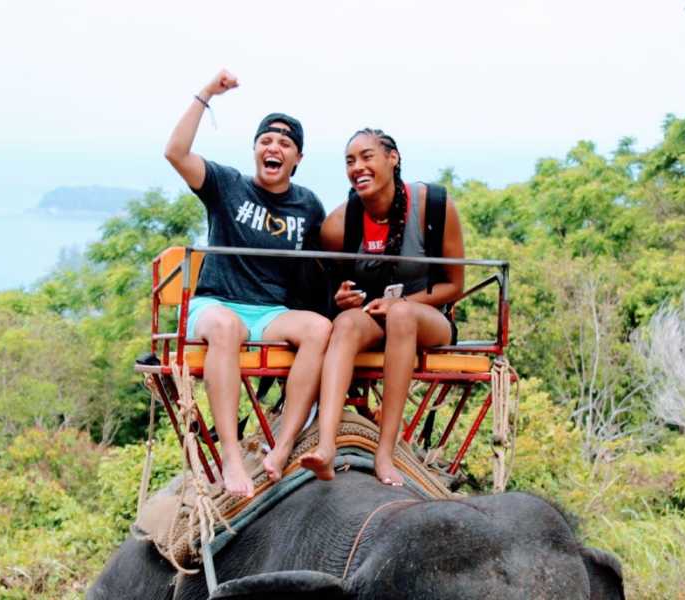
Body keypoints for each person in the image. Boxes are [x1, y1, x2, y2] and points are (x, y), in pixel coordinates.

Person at [164, 69, 331, 497]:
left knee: (319, 329)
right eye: (266, 141)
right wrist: (206, 94)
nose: (274, 148)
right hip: (216, 305)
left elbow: (318, 269)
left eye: (285, 144)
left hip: (270, 313)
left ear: (297, 159)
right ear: (256, 149)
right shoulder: (227, 185)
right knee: (226, 329)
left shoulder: (307, 205)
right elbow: (175, 152)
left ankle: (285, 444)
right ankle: (233, 460)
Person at [300, 128, 465, 485]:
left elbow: (455, 284)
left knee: (402, 315)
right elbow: (333, 289)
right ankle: (325, 445)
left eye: (367, 156)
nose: (357, 166)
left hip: (428, 314)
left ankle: (385, 453)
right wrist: (341, 298)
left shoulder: (434, 207)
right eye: (349, 161)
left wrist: (400, 303)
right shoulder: (339, 225)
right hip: (374, 315)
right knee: (345, 323)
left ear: (393, 158)